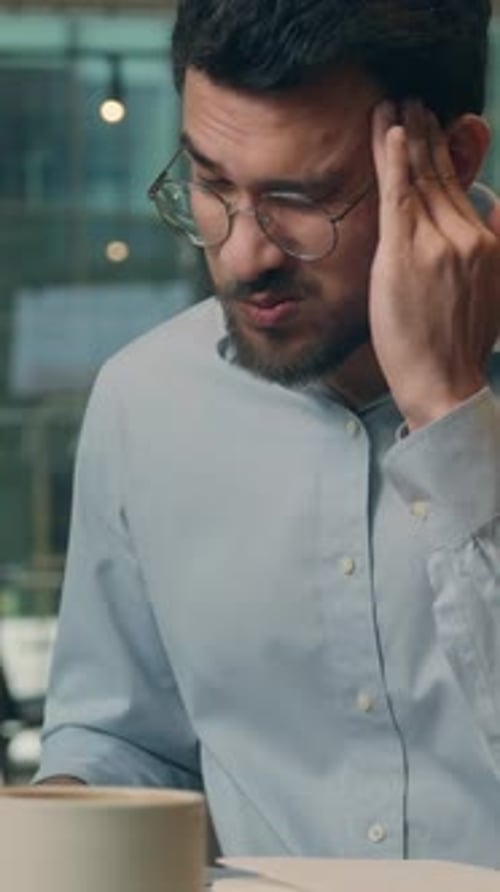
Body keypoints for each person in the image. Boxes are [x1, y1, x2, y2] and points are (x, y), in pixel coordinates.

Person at [36, 0, 500, 868]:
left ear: (454, 158)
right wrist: (67, 820)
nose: (244, 254)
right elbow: (125, 745)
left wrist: (448, 410)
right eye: (211, 184)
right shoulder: (146, 402)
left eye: (301, 197)